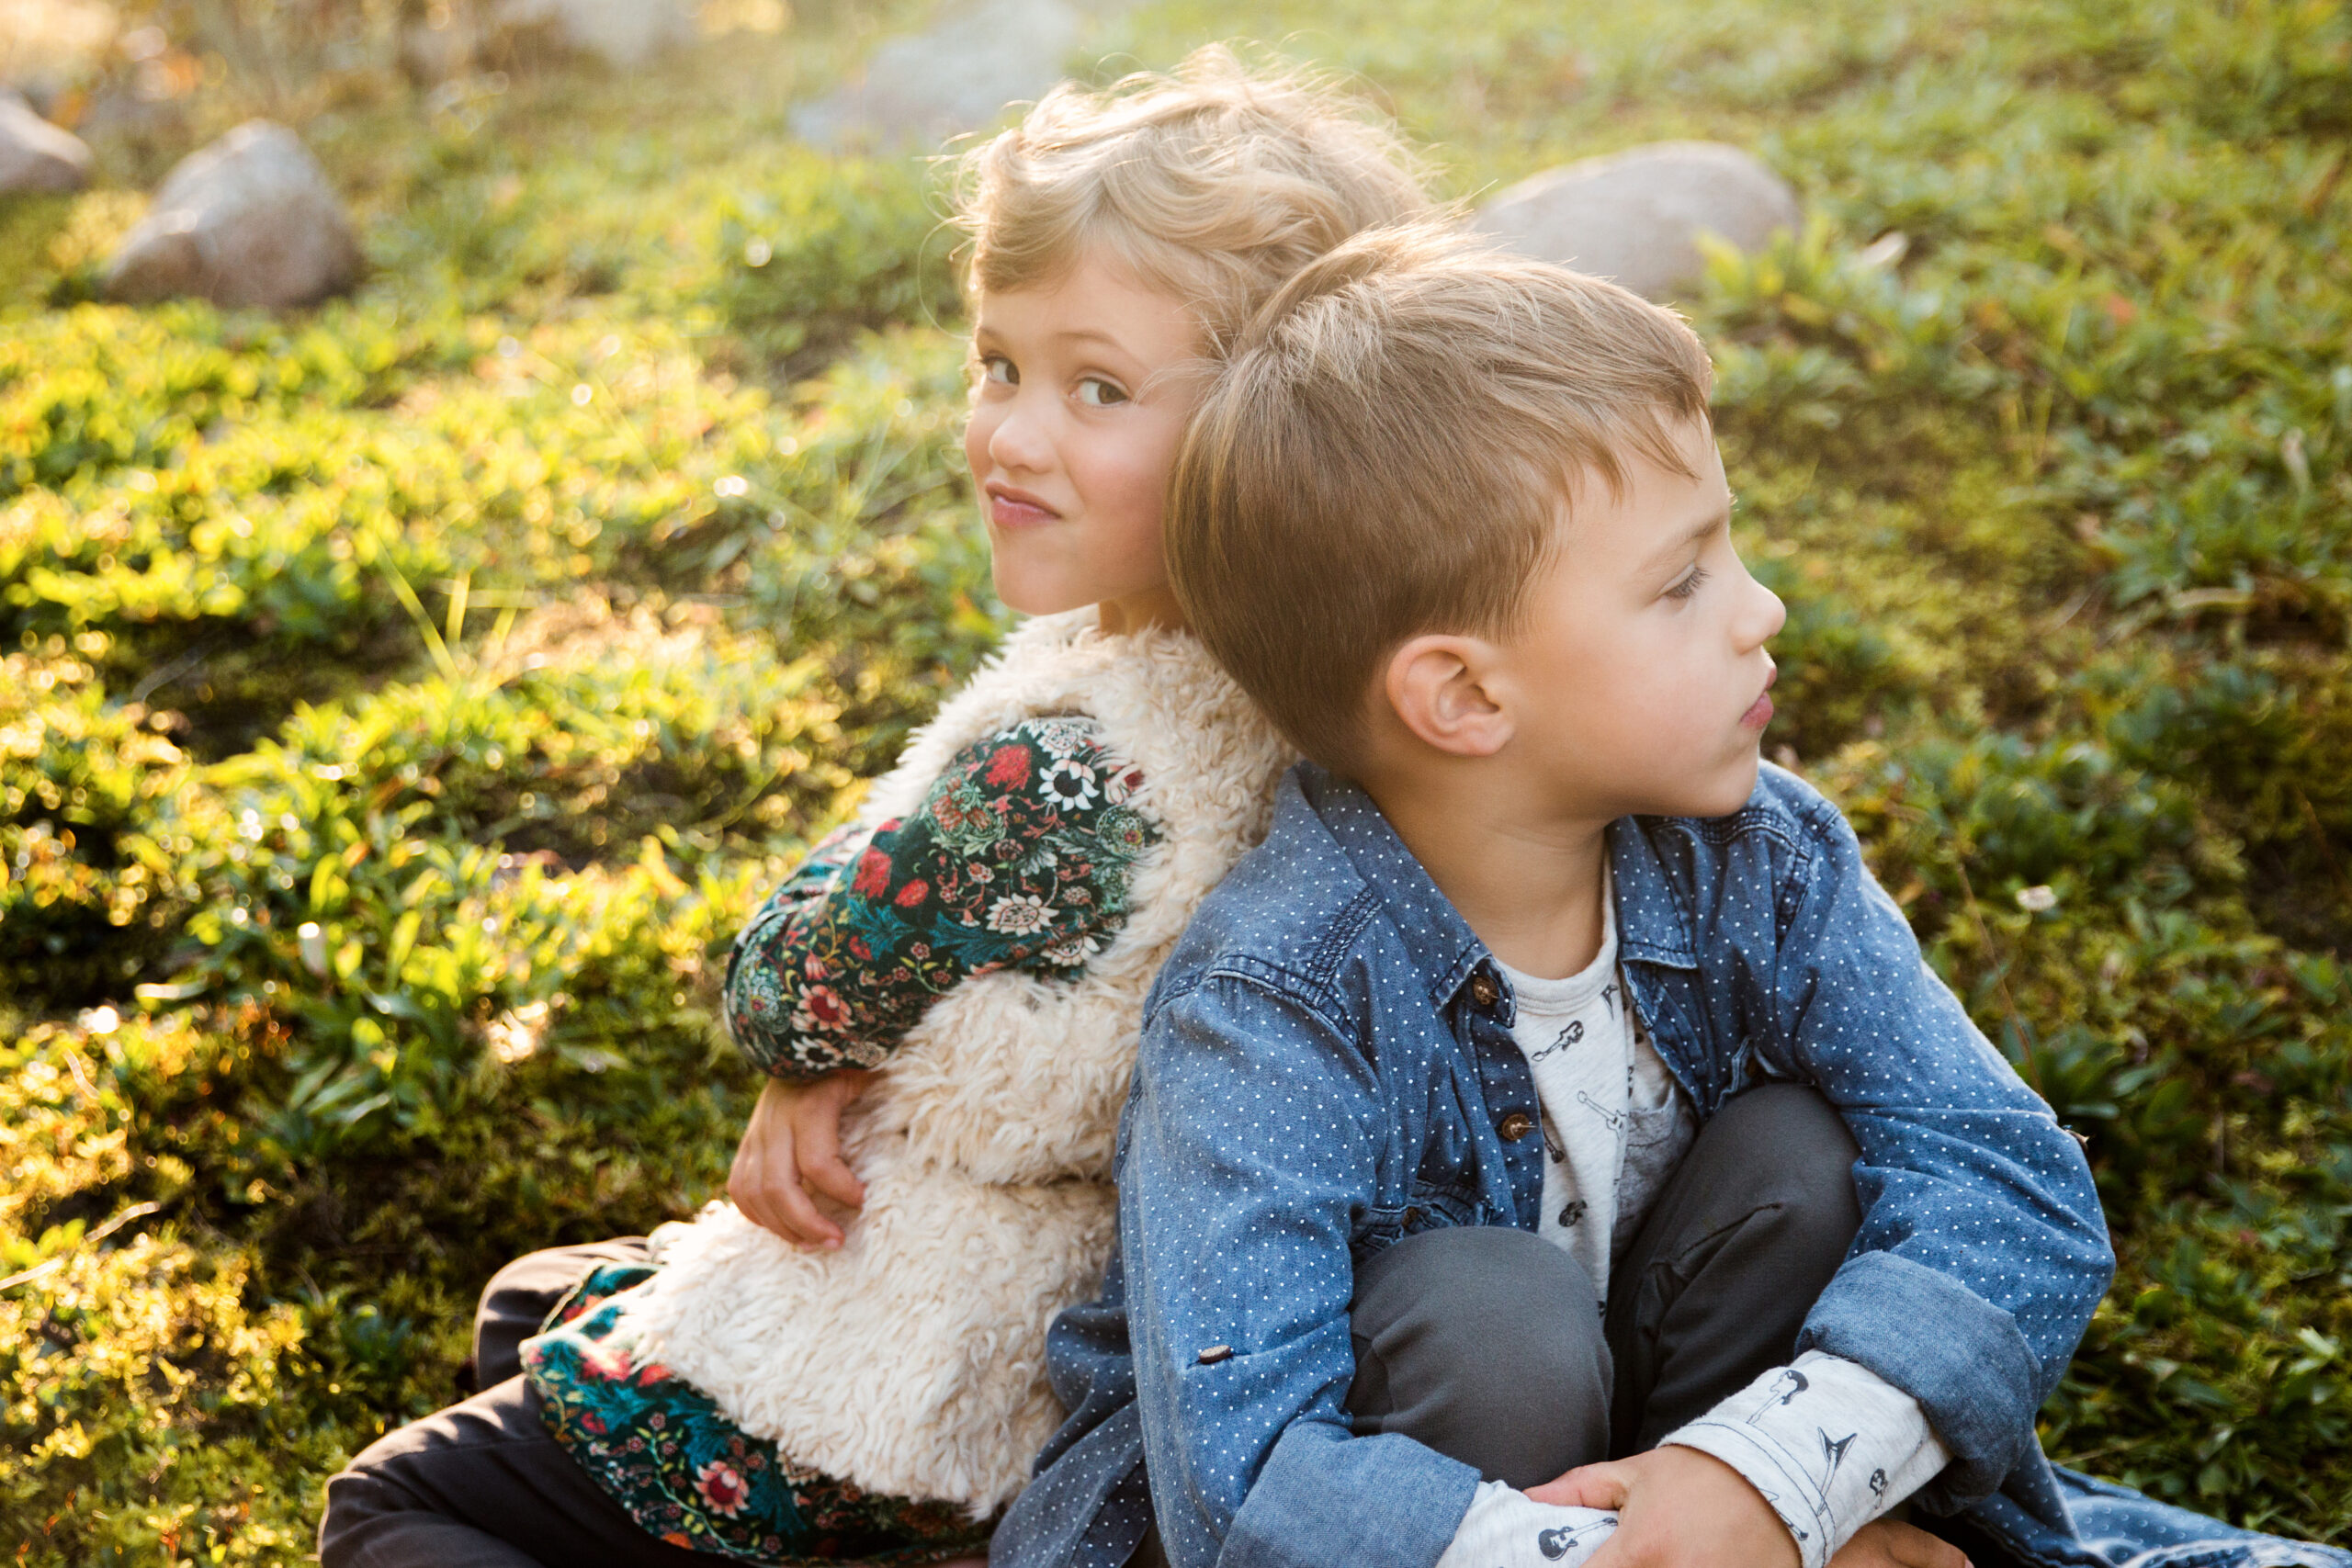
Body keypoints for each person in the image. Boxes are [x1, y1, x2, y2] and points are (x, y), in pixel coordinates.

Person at [988, 225, 2352, 1568]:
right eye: (1681, 581)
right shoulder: (1270, 1001)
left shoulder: (1758, 857)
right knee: (1490, 1314)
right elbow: (1249, 1479)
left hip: (1685, 1450)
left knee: (1804, 1161)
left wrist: (1767, 1478)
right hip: (1412, 1513)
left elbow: (2009, 1177)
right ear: (1465, 695)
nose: (1758, 610)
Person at [315, 52, 1437, 1568]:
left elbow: (789, 980)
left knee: (399, 1507)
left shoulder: (1065, 769)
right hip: (1100, 1316)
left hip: (921, 1367)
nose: (1009, 434)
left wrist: (811, 1056)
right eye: (998, 365)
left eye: (1095, 387)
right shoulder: (1328, 692)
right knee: (533, 1296)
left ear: (1274, 430)